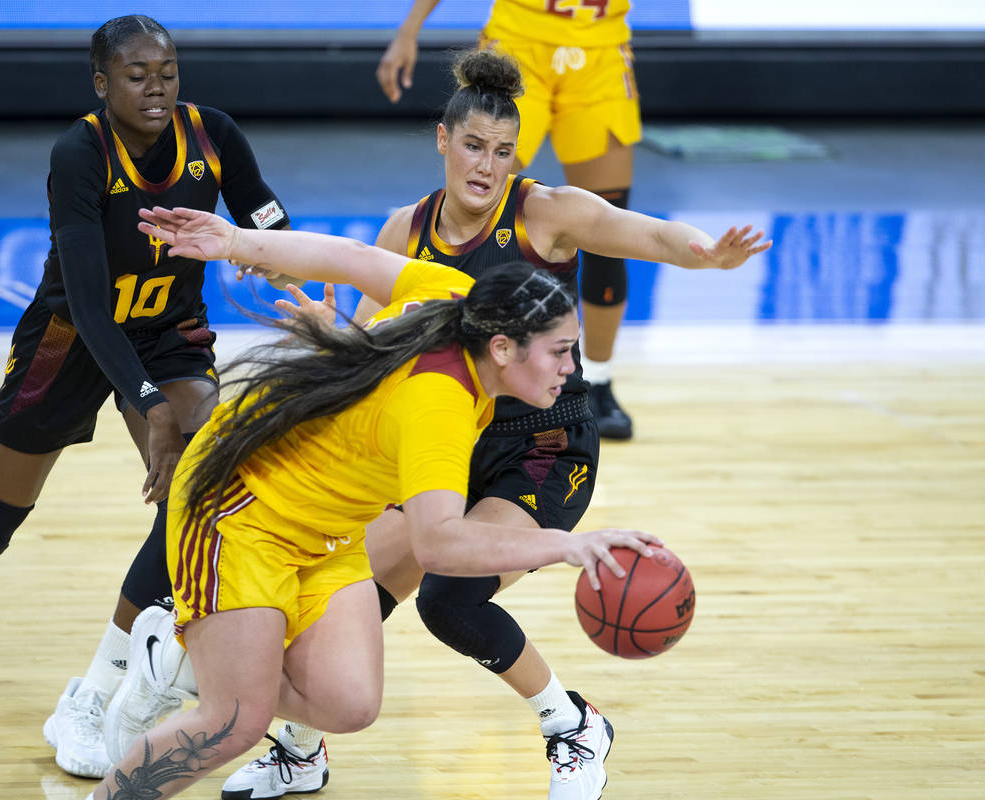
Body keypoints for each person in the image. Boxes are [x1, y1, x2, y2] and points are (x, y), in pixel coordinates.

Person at [218, 49, 770, 800]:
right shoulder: (402, 230)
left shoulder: (544, 214)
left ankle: (571, 725)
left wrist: (707, 257)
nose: (487, 166)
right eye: (474, 146)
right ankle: (300, 747)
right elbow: (373, 342)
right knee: (353, 588)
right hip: (446, 438)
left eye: (504, 152)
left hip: (541, 443)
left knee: (451, 596)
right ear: (442, 141)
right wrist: (331, 329)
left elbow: (641, 234)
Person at [83, 201, 664, 800]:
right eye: (560, 352)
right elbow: (437, 542)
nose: (572, 372)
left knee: (349, 702)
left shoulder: (459, 299)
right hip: (241, 511)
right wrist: (569, 545)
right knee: (233, 721)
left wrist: (234, 241)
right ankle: (192, 698)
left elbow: (351, 257)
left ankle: (182, 664)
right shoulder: (438, 406)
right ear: (502, 349)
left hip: (327, 527)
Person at [0, 13, 295, 781]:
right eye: (137, 75)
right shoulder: (80, 153)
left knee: (199, 492)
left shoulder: (214, 133)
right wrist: (151, 410)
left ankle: (99, 691)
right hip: (71, 339)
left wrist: (274, 246)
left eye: (166, 71)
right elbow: (94, 308)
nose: (156, 86)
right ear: (102, 85)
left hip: (171, 331)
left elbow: (261, 209)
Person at [378, 0, 644, 440]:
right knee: (478, 204)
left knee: (606, 229)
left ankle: (599, 379)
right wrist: (409, 29)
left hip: (600, 46)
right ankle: (450, 361)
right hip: (521, 40)